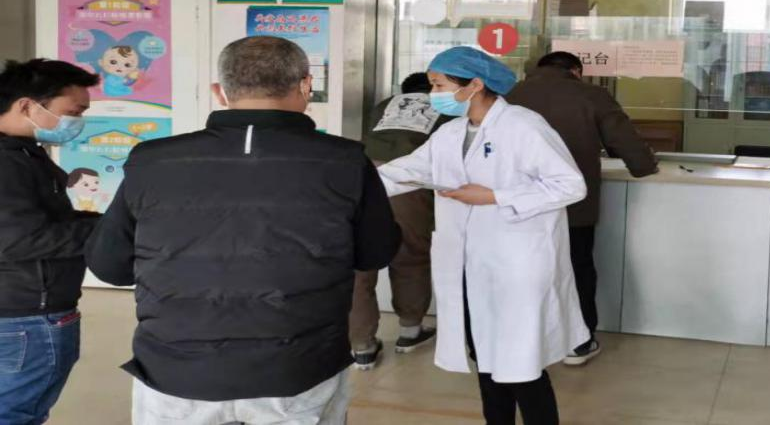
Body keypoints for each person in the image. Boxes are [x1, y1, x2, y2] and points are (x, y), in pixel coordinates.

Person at [85, 36, 401, 425]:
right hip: (297, 369)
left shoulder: (151, 160)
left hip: (176, 369)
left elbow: (109, 266)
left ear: (219, 92)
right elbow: (376, 253)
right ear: (306, 85)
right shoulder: (346, 160)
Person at [380, 46, 587, 425]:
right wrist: (350, 182)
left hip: (517, 263)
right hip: (469, 264)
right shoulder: (451, 132)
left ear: (474, 84)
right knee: (485, 357)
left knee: (521, 365)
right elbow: (408, 170)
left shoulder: (524, 126)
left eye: (439, 85)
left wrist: (495, 196)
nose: (433, 94)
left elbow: (570, 185)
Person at [507, 51, 658, 365]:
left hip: (518, 202)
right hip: (570, 204)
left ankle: (523, 340)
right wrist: (644, 166)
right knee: (576, 268)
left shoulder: (510, 94)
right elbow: (624, 140)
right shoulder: (591, 95)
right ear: (576, 70)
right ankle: (578, 343)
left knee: (521, 269)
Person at [0, 58, 101, 424]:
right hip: (25, 316)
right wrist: (108, 232)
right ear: (27, 105)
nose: (78, 121)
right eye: (73, 112)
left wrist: (103, 222)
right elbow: (18, 240)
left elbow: (40, 222)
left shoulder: (23, 153)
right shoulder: (8, 163)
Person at [350, 72, 454, 369]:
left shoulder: (384, 105)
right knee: (410, 256)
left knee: (360, 265)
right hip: (409, 184)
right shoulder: (446, 108)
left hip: (364, 179)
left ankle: (362, 346)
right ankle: (410, 331)